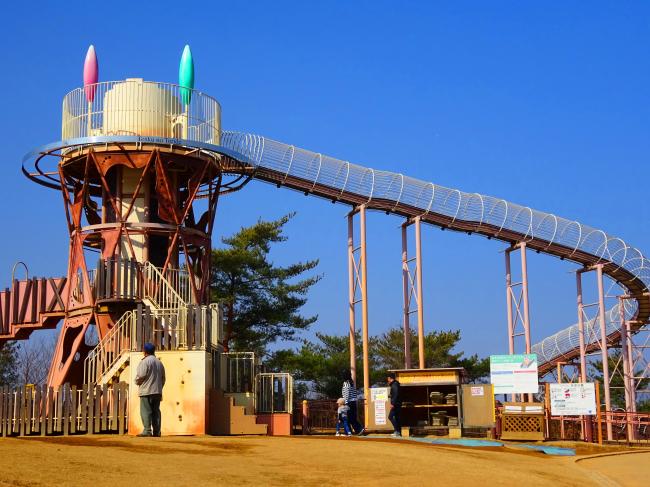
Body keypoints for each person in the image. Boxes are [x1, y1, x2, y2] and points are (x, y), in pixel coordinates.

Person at [135, 342, 166, 437]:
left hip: (146, 391)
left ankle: (147, 431)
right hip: (157, 391)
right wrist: (160, 387)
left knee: (146, 411)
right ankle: (157, 431)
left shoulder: (144, 362)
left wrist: (137, 382)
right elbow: (163, 378)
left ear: (145, 351)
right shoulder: (159, 362)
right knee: (156, 411)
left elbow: (141, 375)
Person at [342, 370, 365, 435]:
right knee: (353, 418)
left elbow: (346, 394)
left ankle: (352, 431)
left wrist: (345, 403)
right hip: (354, 402)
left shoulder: (346, 383)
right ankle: (358, 429)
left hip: (348, 402)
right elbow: (354, 393)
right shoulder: (352, 382)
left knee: (347, 418)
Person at [387, 372, 402, 437]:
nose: (387, 379)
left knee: (390, 417)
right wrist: (390, 396)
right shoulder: (395, 384)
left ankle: (397, 431)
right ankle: (398, 432)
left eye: (388, 378)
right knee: (397, 418)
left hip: (395, 404)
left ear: (390, 378)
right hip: (397, 403)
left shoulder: (394, 385)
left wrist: (392, 403)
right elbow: (395, 394)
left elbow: (396, 394)